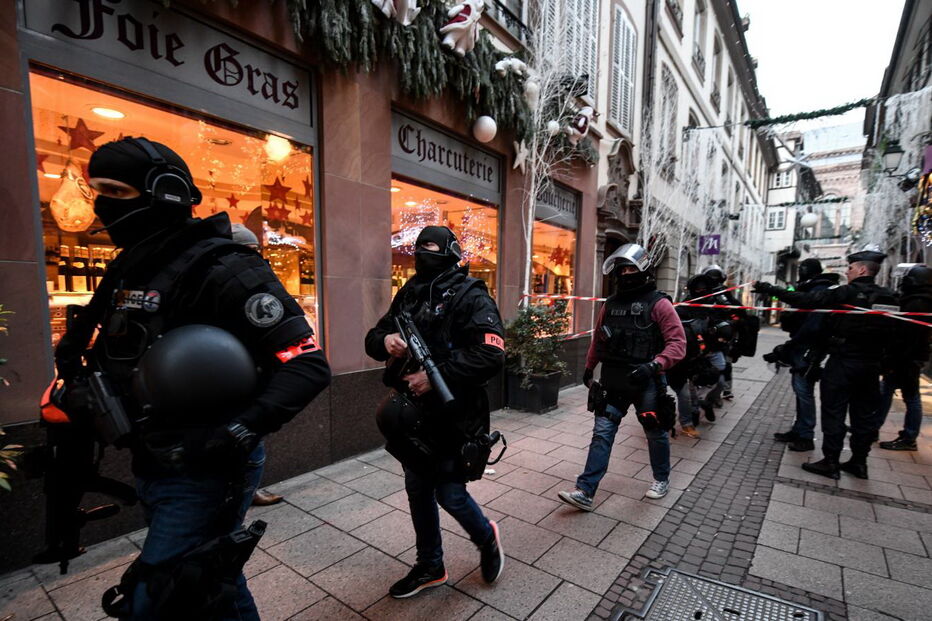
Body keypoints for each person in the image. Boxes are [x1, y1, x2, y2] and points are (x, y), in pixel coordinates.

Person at [52, 137, 331, 619]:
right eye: (97, 190)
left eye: (116, 192)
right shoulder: (130, 268)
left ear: (165, 193)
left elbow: (307, 364)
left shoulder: (225, 268)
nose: (102, 205)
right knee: (209, 576)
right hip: (153, 456)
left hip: (207, 466)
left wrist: (236, 431)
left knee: (156, 596)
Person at [364, 226, 506, 598]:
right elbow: (374, 336)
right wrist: (386, 341)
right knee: (417, 489)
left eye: (431, 249)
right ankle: (431, 565)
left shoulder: (471, 296)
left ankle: (486, 537)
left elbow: (491, 354)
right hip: (414, 415)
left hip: (455, 414)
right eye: (418, 249)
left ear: (450, 253)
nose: (422, 255)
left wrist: (437, 374)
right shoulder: (409, 293)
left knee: (451, 494)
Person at [558, 243, 686, 509]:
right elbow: (599, 338)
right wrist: (589, 366)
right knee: (602, 434)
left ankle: (661, 478)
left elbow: (678, 344)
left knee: (655, 432)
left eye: (631, 268)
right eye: (622, 269)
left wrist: (655, 365)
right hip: (614, 380)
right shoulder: (611, 304)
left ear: (643, 269)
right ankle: (585, 490)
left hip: (646, 381)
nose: (626, 273)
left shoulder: (659, 304)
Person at [754, 244, 897, 480]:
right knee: (863, 416)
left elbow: (805, 300)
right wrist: (885, 362)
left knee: (834, 412)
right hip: (871, 366)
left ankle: (830, 461)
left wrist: (770, 289)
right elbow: (898, 333)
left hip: (843, 362)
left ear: (862, 270)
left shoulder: (845, 294)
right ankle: (859, 462)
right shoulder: (889, 297)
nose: (848, 272)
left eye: (850, 268)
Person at [230, 223, 285, 507]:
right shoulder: (222, 281)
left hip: (253, 372)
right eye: (247, 251)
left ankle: (249, 489)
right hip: (229, 376)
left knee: (253, 441)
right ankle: (243, 492)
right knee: (248, 443)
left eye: (255, 251)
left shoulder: (256, 279)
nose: (253, 256)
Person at [772, 258, 840, 452]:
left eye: (802, 269)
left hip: (809, 347)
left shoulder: (819, 290)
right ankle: (799, 429)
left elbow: (813, 324)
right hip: (804, 345)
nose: (800, 271)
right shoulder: (813, 288)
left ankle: (806, 435)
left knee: (804, 391)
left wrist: (792, 344)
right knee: (800, 389)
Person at [878, 263, 932, 451]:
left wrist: (893, 360)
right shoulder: (920, 300)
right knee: (887, 391)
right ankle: (874, 426)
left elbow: (907, 336)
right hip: (909, 357)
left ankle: (909, 437)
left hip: (906, 358)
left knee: (910, 397)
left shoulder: (918, 303)